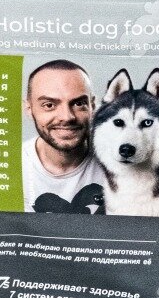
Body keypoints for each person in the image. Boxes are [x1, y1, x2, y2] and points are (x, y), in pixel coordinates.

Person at [21, 59, 105, 213]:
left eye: (78, 104)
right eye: (49, 105)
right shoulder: (10, 168)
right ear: (29, 109)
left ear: (92, 106)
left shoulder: (121, 164)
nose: (66, 117)